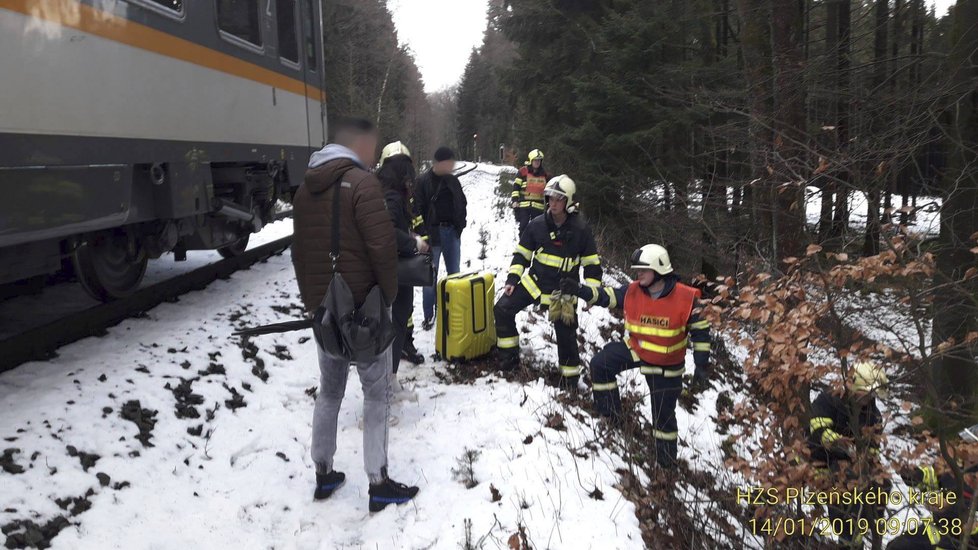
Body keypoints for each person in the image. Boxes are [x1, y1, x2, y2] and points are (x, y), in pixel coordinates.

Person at [291, 117, 419, 512]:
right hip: (364, 312)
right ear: (359, 146)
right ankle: (378, 482)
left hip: (325, 313)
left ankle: (324, 473)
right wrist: (387, 296)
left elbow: (298, 254)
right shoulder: (363, 184)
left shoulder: (303, 191)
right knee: (375, 393)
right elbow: (382, 248)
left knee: (329, 391)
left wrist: (314, 302)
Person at [560, 244, 710, 468]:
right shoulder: (633, 290)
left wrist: (701, 366)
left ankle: (666, 465)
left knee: (663, 418)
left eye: (643, 270)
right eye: (637, 269)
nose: (638, 274)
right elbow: (606, 296)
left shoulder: (687, 299)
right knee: (601, 364)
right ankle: (610, 417)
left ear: (659, 270)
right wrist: (579, 289)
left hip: (666, 365)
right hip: (637, 349)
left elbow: (701, 333)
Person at [493, 175, 602, 391]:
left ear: (569, 201)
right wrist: (512, 279)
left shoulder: (581, 230)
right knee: (502, 309)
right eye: (550, 197)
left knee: (566, 333)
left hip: (563, 291)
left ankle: (570, 379)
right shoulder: (537, 225)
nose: (553, 202)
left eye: (558, 199)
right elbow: (522, 254)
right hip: (535, 283)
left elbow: (591, 265)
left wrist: (591, 293)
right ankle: (509, 360)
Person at [808, 361, 887, 547]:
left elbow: (873, 450)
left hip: (848, 466)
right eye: (867, 392)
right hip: (817, 459)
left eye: (872, 393)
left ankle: (856, 538)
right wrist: (840, 442)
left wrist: (868, 460)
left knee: (880, 487)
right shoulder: (829, 399)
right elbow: (817, 431)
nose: (869, 397)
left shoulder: (873, 415)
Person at [376, 141, 428, 396]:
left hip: (395, 272)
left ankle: (390, 379)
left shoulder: (392, 193)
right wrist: (413, 241)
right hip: (392, 271)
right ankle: (386, 384)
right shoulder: (391, 196)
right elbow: (386, 232)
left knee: (396, 325)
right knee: (392, 328)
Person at [414, 146, 467, 330]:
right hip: (432, 235)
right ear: (439, 163)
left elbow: (462, 202)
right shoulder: (422, 181)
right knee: (430, 279)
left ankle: (453, 314)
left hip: (451, 233)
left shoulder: (453, 181)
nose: (452, 166)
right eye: (449, 162)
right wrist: (423, 234)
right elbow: (416, 208)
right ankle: (429, 316)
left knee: (455, 276)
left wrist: (460, 226)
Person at [889, 462, 978, 549]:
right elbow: (932, 476)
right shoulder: (960, 469)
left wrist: (949, 507)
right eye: (972, 476)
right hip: (935, 529)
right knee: (896, 546)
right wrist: (917, 474)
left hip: (963, 541)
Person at [511, 149, 550, 236]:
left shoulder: (545, 174)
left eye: (539, 160)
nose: (537, 162)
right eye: (535, 160)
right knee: (523, 227)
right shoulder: (522, 172)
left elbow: (549, 192)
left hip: (538, 207)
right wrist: (514, 201)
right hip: (524, 205)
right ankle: (522, 245)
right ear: (531, 160)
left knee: (537, 228)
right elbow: (516, 187)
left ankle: (536, 247)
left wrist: (549, 205)